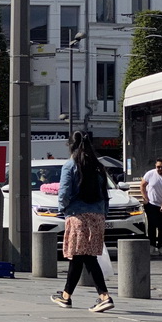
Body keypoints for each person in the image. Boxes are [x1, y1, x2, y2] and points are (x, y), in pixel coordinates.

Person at [50, 132, 114, 312]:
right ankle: (65, 296)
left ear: (71, 146)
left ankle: (104, 296)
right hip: (97, 216)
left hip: (78, 215)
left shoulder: (70, 165)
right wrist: (103, 213)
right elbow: (105, 194)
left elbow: (64, 193)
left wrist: (63, 210)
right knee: (80, 257)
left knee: (85, 257)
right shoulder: (98, 166)